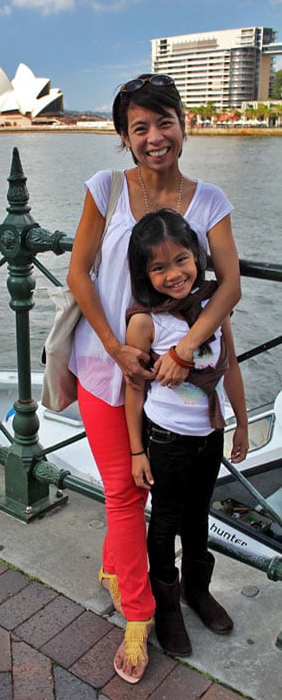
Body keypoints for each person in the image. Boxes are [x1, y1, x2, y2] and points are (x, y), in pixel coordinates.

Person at [66, 74, 241, 683]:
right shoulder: (106, 188)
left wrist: (189, 347)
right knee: (124, 493)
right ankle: (141, 616)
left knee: (179, 504)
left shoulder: (209, 199)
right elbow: (79, 277)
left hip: (172, 376)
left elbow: (229, 287)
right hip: (103, 364)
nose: (154, 137)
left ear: (183, 123)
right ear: (124, 138)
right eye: (139, 127)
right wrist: (115, 348)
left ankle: (172, 588)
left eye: (164, 121)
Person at [125, 208, 248, 656]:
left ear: (198, 255)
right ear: (144, 273)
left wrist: (241, 423)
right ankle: (167, 607)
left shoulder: (211, 310)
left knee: (199, 517)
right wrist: (137, 451)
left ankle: (198, 589)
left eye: (182, 260)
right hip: (166, 439)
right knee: (165, 521)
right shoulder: (147, 321)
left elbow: (230, 366)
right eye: (158, 267)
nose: (174, 274)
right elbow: (133, 391)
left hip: (210, 434)